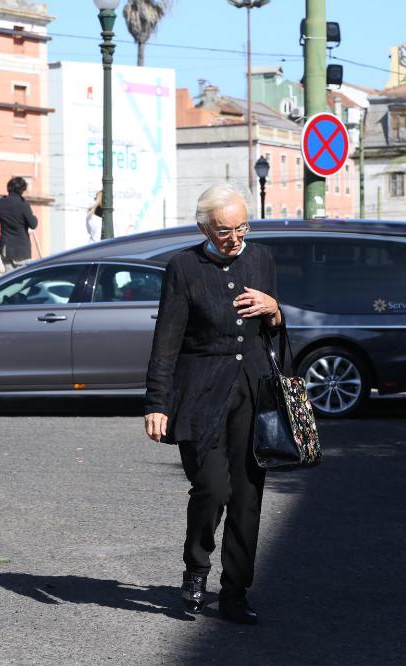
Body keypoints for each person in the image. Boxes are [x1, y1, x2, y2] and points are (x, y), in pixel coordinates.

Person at [144, 183, 283, 625]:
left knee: (247, 496)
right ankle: (196, 569)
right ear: (204, 226)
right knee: (212, 489)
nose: (236, 237)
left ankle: (236, 593)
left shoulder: (261, 259)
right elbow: (166, 341)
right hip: (200, 396)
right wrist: (156, 403)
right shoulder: (184, 267)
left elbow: (273, 331)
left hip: (252, 391)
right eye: (225, 230)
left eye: (242, 226)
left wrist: (274, 309)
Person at [0, 176, 38, 269]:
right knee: (22, 280)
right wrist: (34, 216)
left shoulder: (1, 203)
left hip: (5, 249)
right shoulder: (23, 204)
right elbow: (33, 224)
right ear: (21, 190)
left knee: (9, 280)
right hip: (21, 250)